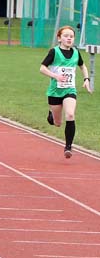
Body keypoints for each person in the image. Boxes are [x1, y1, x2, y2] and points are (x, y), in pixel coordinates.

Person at [40, 25, 93, 158]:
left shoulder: (76, 52)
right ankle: (51, 114)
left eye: (71, 36)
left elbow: (82, 66)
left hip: (69, 90)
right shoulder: (54, 52)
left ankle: (68, 147)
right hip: (54, 92)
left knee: (70, 114)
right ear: (59, 38)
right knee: (57, 123)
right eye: (66, 36)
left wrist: (86, 79)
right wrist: (55, 76)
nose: (69, 38)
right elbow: (42, 68)